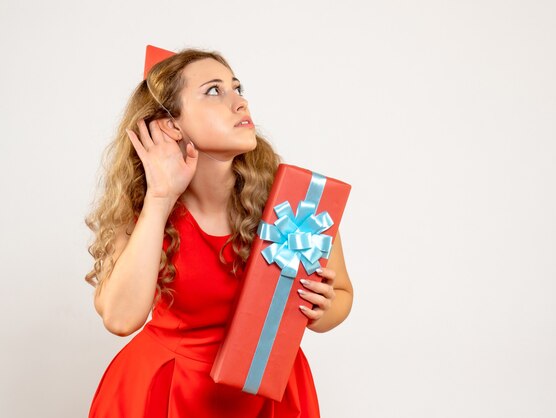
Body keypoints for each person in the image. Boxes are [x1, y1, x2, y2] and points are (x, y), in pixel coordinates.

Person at [83, 45, 353, 417]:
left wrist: (321, 311)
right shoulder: (143, 210)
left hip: (269, 393)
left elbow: (341, 295)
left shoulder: (298, 204)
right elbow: (120, 319)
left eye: (237, 88)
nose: (240, 102)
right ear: (171, 124)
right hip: (165, 392)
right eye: (214, 90)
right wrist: (161, 198)